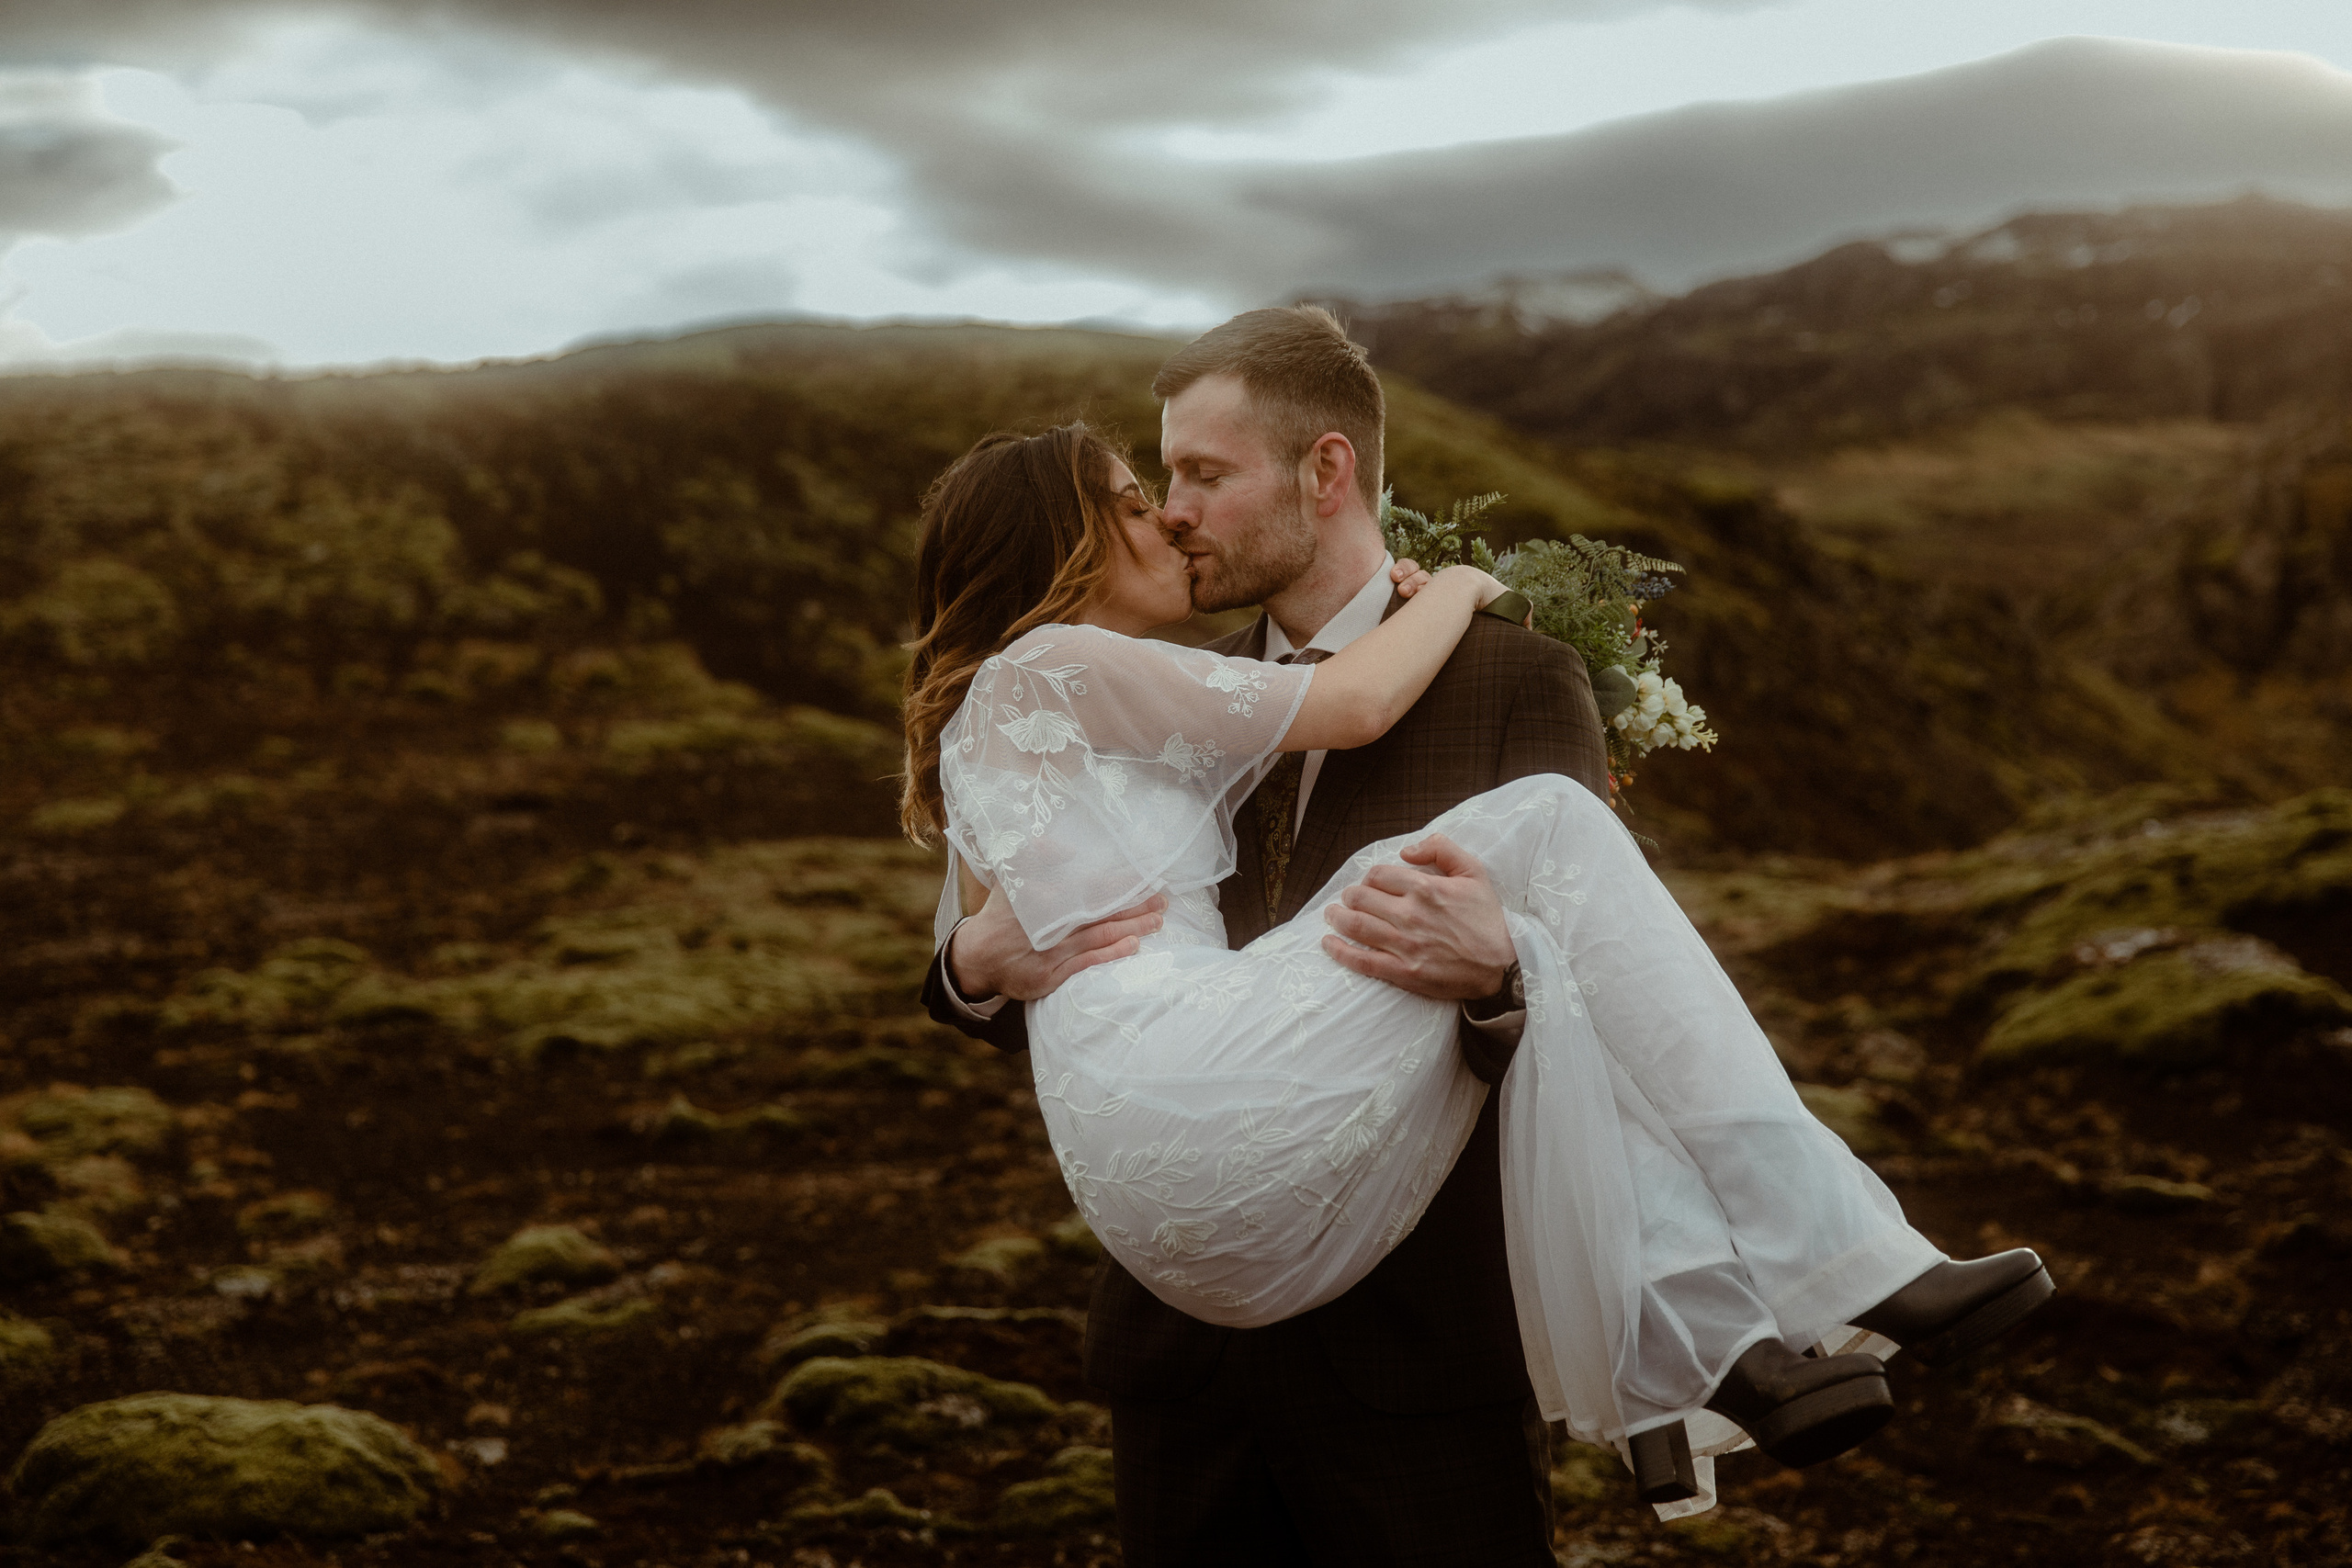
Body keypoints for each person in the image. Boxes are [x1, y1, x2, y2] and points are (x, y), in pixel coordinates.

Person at [913, 308, 2052, 1565]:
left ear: (1326, 469)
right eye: (1154, 484)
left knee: (1556, 891)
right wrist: (968, 969)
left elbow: (1592, 998)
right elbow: (1054, 907)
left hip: (1419, 1365)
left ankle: (1722, 1331)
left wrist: (1504, 971)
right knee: (1554, 832)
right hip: (1188, 1358)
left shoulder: (1509, 680)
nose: (1176, 512)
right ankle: (1766, 1302)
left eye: (1202, 476)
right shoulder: (1170, 689)